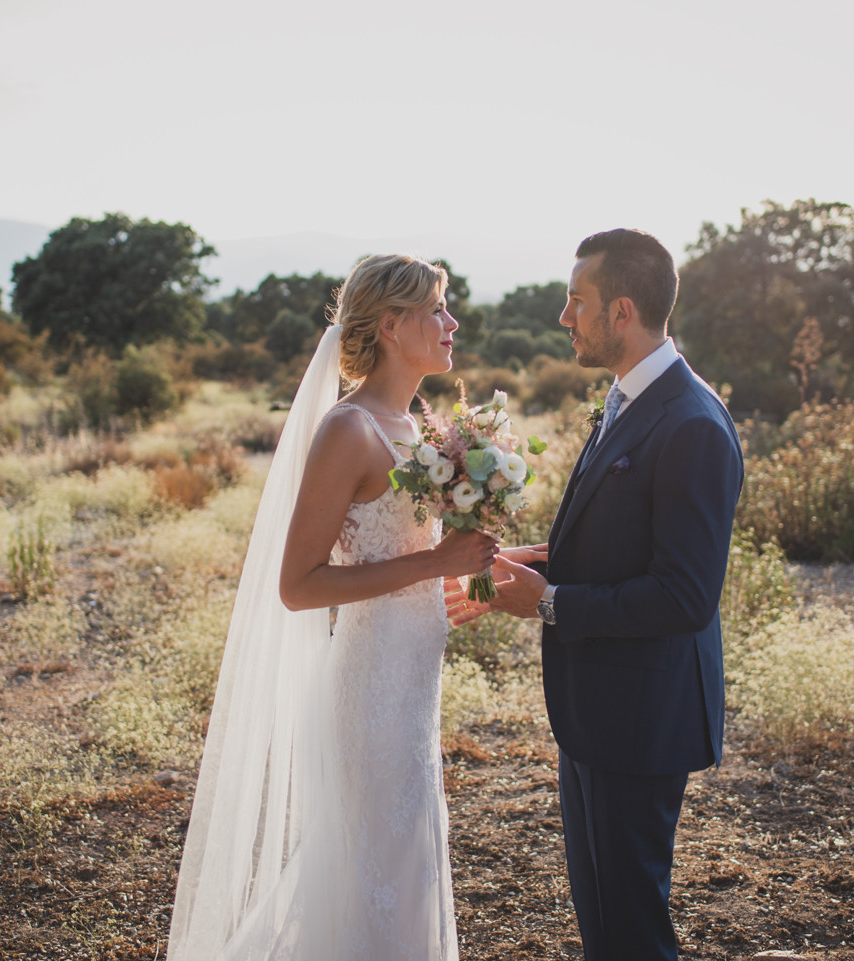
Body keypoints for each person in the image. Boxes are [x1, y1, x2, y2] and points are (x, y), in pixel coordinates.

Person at [166, 254, 497, 961]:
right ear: (390, 325)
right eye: (437, 308)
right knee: (373, 861)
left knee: (403, 855)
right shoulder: (349, 430)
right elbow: (300, 583)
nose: (452, 322)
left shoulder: (419, 431)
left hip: (414, 684)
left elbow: (413, 557)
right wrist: (435, 562)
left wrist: (477, 571)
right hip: (370, 686)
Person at [467, 228, 744, 960]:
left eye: (575, 301)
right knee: (604, 925)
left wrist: (548, 601)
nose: (565, 317)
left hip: (641, 719)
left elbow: (684, 595)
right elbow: (627, 543)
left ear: (621, 312)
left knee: (631, 930)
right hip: (598, 709)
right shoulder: (627, 399)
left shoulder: (692, 424)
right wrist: (536, 560)